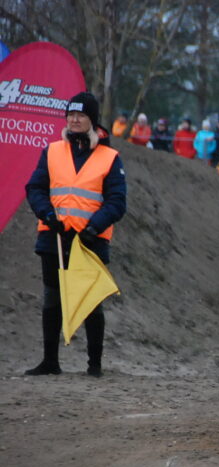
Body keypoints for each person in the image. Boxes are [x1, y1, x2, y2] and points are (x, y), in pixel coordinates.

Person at [23, 92, 127, 377]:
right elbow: (35, 188)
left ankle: (94, 364)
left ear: (92, 120)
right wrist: (47, 214)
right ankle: (50, 362)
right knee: (52, 297)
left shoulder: (110, 157)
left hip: (90, 240)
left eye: (81, 115)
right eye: (70, 115)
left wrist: (93, 227)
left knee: (90, 300)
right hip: (54, 236)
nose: (74, 120)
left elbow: (117, 201)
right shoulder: (52, 151)